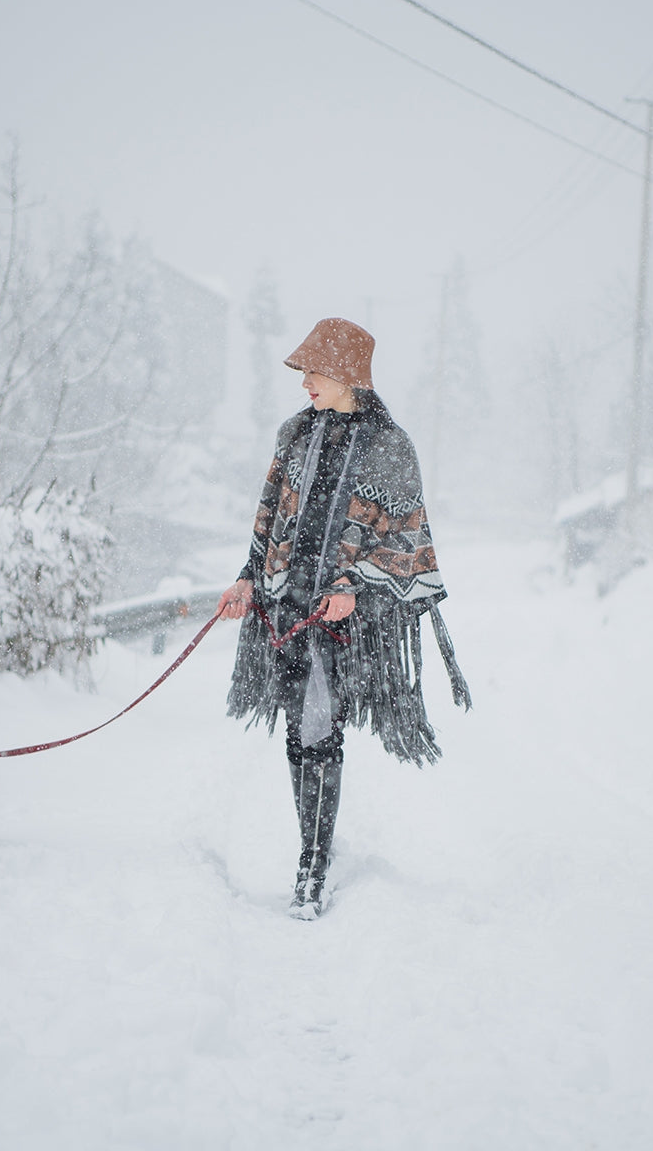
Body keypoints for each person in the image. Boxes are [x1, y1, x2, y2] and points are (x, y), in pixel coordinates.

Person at [216, 317, 470, 919]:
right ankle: (312, 849)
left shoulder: (390, 447)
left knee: (321, 730)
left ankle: (313, 866)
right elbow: (269, 518)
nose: (304, 381)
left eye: (314, 370)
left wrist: (354, 585)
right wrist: (248, 576)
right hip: (287, 608)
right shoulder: (295, 434)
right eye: (304, 370)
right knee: (298, 732)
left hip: (345, 623)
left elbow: (406, 539)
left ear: (347, 373)